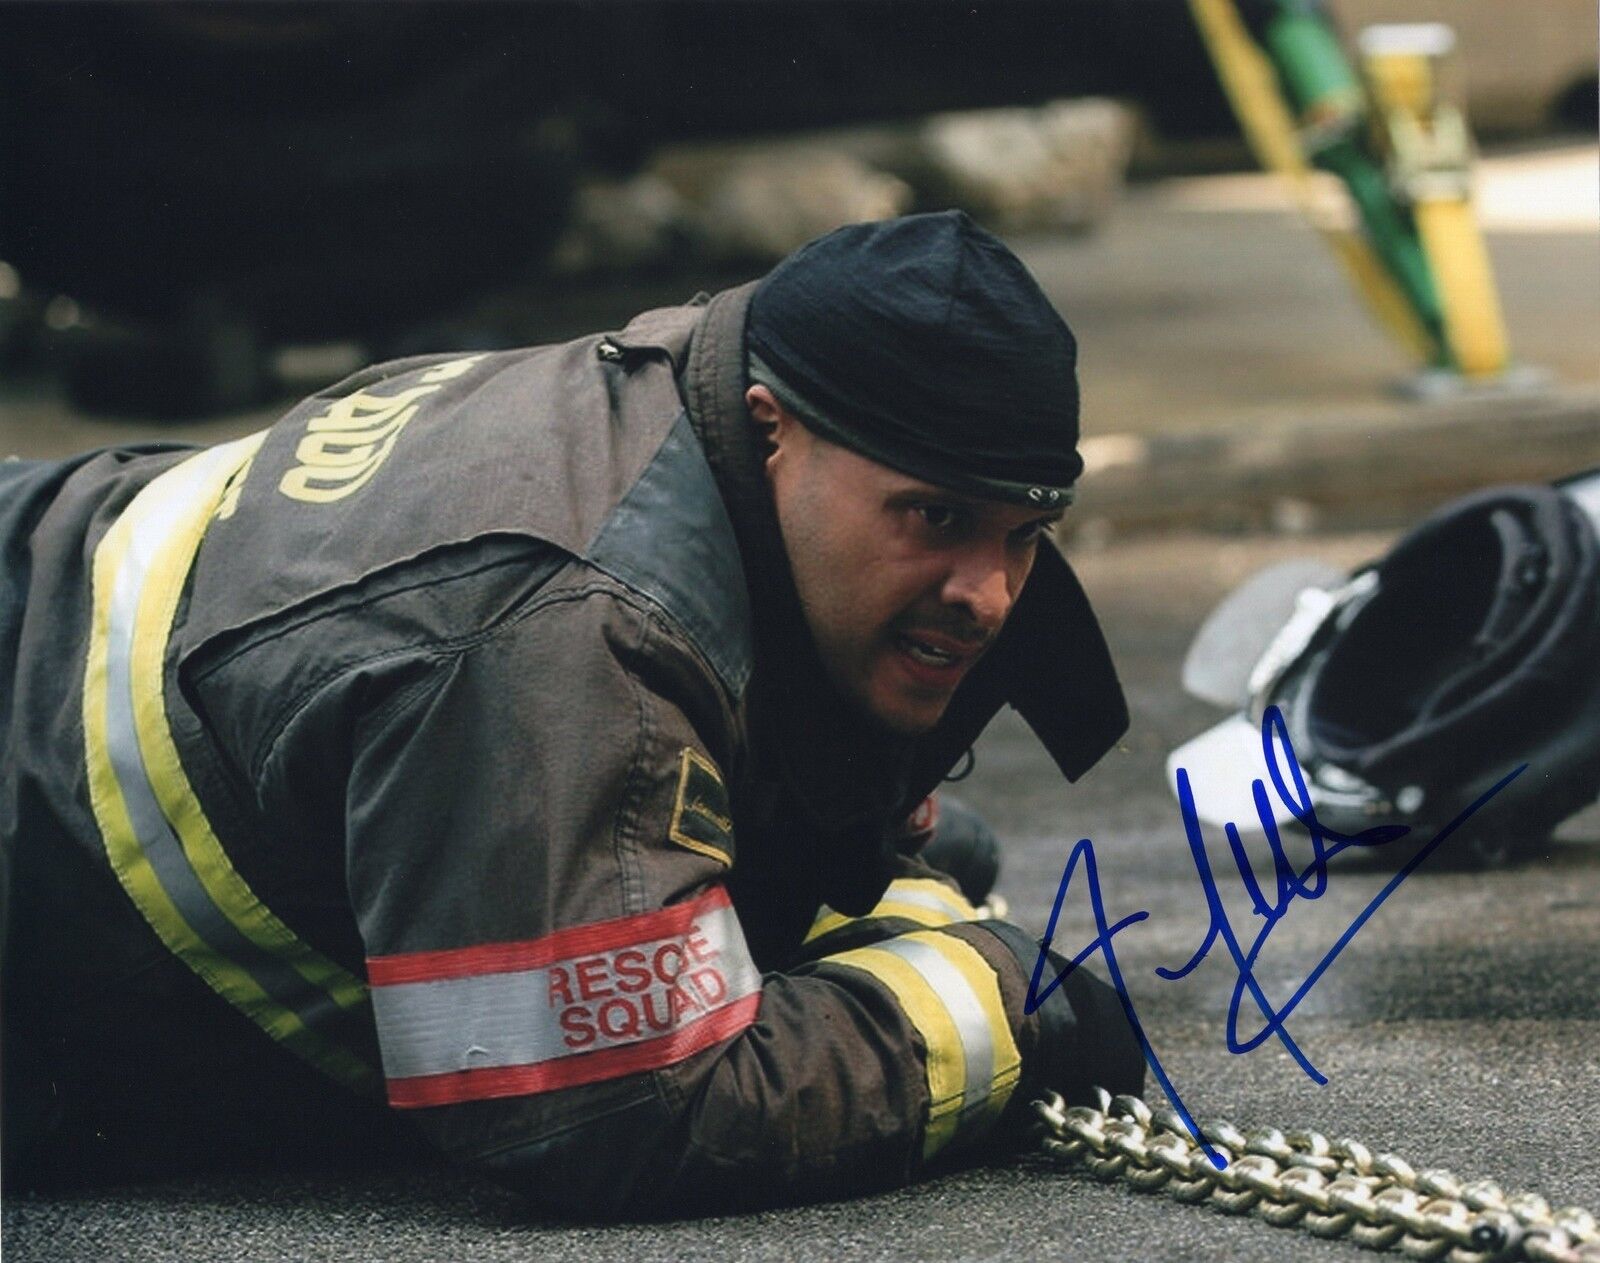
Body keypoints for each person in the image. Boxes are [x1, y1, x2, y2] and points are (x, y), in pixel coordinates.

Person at [1, 211, 1143, 1214]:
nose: (990, 594)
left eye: (1023, 533)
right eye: (933, 518)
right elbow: (627, 1109)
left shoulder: (690, 383)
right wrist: (1005, 1006)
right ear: (771, 427)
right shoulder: (557, 637)